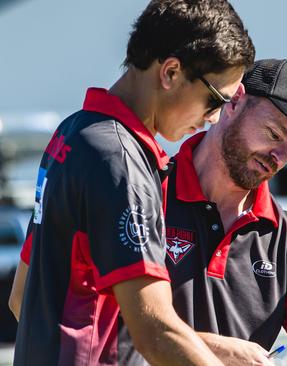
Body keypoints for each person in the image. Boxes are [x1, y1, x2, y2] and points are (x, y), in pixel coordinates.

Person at [8, 1, 254, 365]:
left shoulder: (74, 134)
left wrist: (209, 345)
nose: (213, 118)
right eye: (215, 99)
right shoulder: (122, 161)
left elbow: (22, 296)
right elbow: (154, 331)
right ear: (170, 72)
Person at [121, 59, 287, 366]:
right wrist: (213, 349)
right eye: (274, 134)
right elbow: (105, 322)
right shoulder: (145, 191)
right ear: (234, 102)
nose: (279, 157)